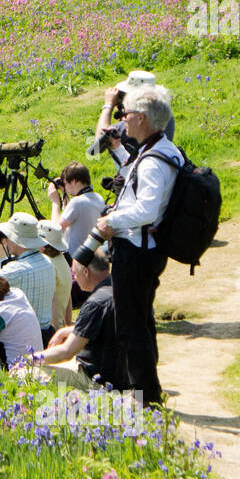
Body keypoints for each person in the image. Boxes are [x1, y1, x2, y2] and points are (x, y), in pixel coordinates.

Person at [94, 84, 181, 404]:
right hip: (147, 248)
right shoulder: (160, 148)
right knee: (141, 319)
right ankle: (149, 390)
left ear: (142, 118)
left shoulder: (155, 159)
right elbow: (134, 176)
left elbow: (146, 208)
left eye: (126, 114)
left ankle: (146, 398)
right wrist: (117, 149)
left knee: (130, 327)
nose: (122, 119)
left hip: (137, 250)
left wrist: (110, 222)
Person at [37, 250, 122, 390]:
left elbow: (66, 352)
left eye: (75, 274)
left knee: (26, 373)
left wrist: (29, 359)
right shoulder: (121, 290)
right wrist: (69, 329)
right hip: (125, 374)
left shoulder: (95, 303)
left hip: (98, 378)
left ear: (86, 271)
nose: (74, 279)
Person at [0, 212, 56, 343]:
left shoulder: (17, 270)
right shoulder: (46, 261)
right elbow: (0, 280)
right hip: (43, 334)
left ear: (16, 241)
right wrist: (1, 247)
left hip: (19, 337)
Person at [48, 162, 106, 259]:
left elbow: (55, 229)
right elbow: (72, 216)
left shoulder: (77, 202)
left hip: (74, 258)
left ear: (74, 181)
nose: (65, 186)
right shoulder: (98, 198)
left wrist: (55, 202)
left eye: (65, 183)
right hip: (93, 255)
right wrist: (64, 193)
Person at [38, 219, 73, 331]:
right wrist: (68, 323)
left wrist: (55, 332)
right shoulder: (62, 259)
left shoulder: (47, 264)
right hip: (61, 323)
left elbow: (52, 300)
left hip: (51, 327)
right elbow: (68, 296)